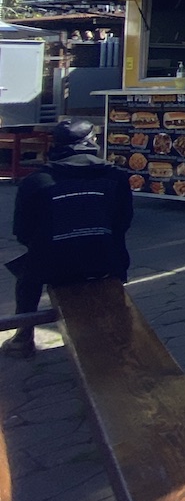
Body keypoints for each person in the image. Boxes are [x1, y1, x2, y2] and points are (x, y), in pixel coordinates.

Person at [2, 119, 133, 359]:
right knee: (113, 250)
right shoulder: (117, 177)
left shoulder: (35, 181)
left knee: (28, 273)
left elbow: (22, 232)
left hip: (53, 266)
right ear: (91, 142)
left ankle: (24, 336)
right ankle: (117, 330)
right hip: (104, 261)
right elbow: (122, 223)